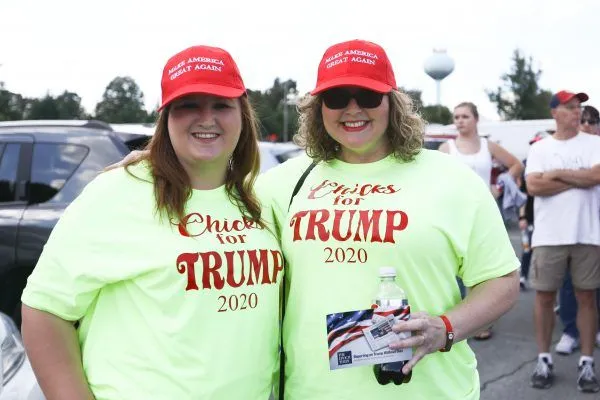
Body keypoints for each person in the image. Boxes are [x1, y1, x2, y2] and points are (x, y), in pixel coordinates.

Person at [258, 39, 520, 399]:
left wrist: (445, 328)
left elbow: (502, 281)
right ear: (318, 108)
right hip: (313, 391)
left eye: (367, 96)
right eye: (337, 97)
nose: (352, 109)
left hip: (429, 391)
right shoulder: (282, 184)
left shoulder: (451, 178)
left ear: (392, 103)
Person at [20, 45, 283, 399]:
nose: (206, 118)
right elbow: (44, 310)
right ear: (166, 117)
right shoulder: (117, 192)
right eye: (188, 105)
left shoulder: (259, 199)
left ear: (242, 114)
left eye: (221, 105)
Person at [526, 90, 600, 393]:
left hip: (587, 233)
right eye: (569, 107)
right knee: (544, 298)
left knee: (587, 297)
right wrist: (578, 178)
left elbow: (596, 177)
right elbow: (534, 186)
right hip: (549, 235)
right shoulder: (540, 148)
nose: (576, 112)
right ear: (554, 112)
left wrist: (555, 175)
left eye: (578, 107)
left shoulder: (594, 143)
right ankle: (543, 359)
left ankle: (587, 362)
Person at [439, 102, 523, 340]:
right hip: (454, 215)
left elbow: (516, 165)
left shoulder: (488, 145)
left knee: (484, 268)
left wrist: (500, 186)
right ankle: (454, 321)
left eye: (465, 116)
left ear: (476, 119)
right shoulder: (447, 148)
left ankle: (481, 321)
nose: (460, 121)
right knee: (455, 269)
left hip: (484, 213)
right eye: (456, 117)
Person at [554, 104, 600, 356]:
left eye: (592, 121)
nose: (587, 126)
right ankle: (571, 331)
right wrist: (582, 177)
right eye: (583, 121)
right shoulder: (565, 151)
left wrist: (576, 178)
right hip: (572, 228)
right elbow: (541, 183)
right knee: (570, 283)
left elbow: (594, 178)